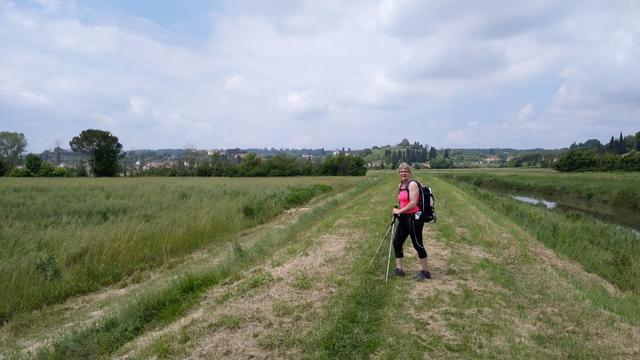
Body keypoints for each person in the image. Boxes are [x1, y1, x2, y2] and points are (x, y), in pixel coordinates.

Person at [392, 163, 431, 280]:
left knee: (417, 244)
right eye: (401, 171)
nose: (403, 173)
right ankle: (399, 270)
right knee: (397, 243)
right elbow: (401, 202)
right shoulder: (401, 185)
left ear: (410, 173)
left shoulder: (412, 184)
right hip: (404, 218)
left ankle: (425, 271)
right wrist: (397, 212)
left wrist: (399, 211)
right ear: (399, 173)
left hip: (414, 218)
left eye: (406, 171)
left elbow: (413, 203)